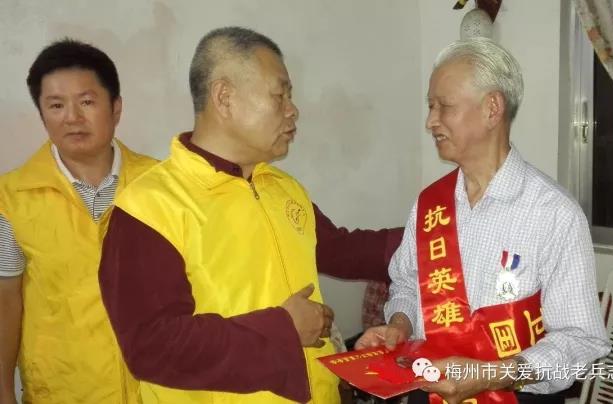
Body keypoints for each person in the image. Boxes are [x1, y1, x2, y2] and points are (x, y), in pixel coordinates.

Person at [98, 26, 402, 404]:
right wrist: (283, 330)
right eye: (280, 94)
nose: (293, 110)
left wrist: (440, 225)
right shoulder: (149, 208)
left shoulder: (280, 187)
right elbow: (153, 347)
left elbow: (342, 250)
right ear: (224, 97)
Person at [356, 38, 610, 404]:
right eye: (430, 106)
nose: (430, 121)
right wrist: (399, 325)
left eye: (443, 106)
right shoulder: (430, 205)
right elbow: (408, 284)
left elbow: (581, 339)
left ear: (492, 108)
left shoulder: (554, 213)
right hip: (429, 389)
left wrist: (496, 374)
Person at [0, 39, 157, 403]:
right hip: (62, 393)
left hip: (156, 390)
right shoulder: (11, 199)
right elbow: (5, 302)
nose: (72, 117)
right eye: (56, 105)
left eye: (86, 102)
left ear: (116, 108)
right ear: (42, 115)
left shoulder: (161, 186)